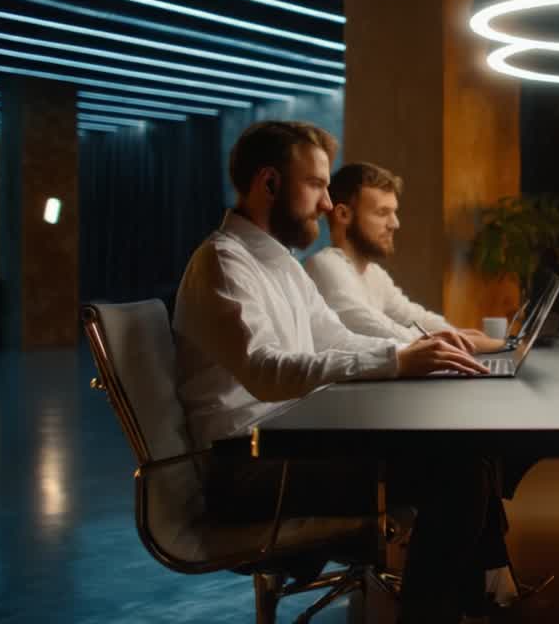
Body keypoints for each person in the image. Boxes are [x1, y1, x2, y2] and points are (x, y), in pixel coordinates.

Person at [173, 120, 504, 623]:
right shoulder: (223, 263)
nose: (328, 204)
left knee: (467, 453)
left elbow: (336, 338)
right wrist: (396, 360)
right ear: (269, 184)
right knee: (457, 477)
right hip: (247, 470)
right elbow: (266, 371)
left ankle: (476, 604)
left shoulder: (279, 263)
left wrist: (416, 348)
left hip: (290, 447)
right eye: (316, 185)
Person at [304, 161, 505, 353]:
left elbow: (415, 316)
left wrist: (454, 334)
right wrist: (455, 341)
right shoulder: (325, 265)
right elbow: (373, 328)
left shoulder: (374, 274)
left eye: (394, 212)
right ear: (343, 215)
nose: (395, 223)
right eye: (382, 212)